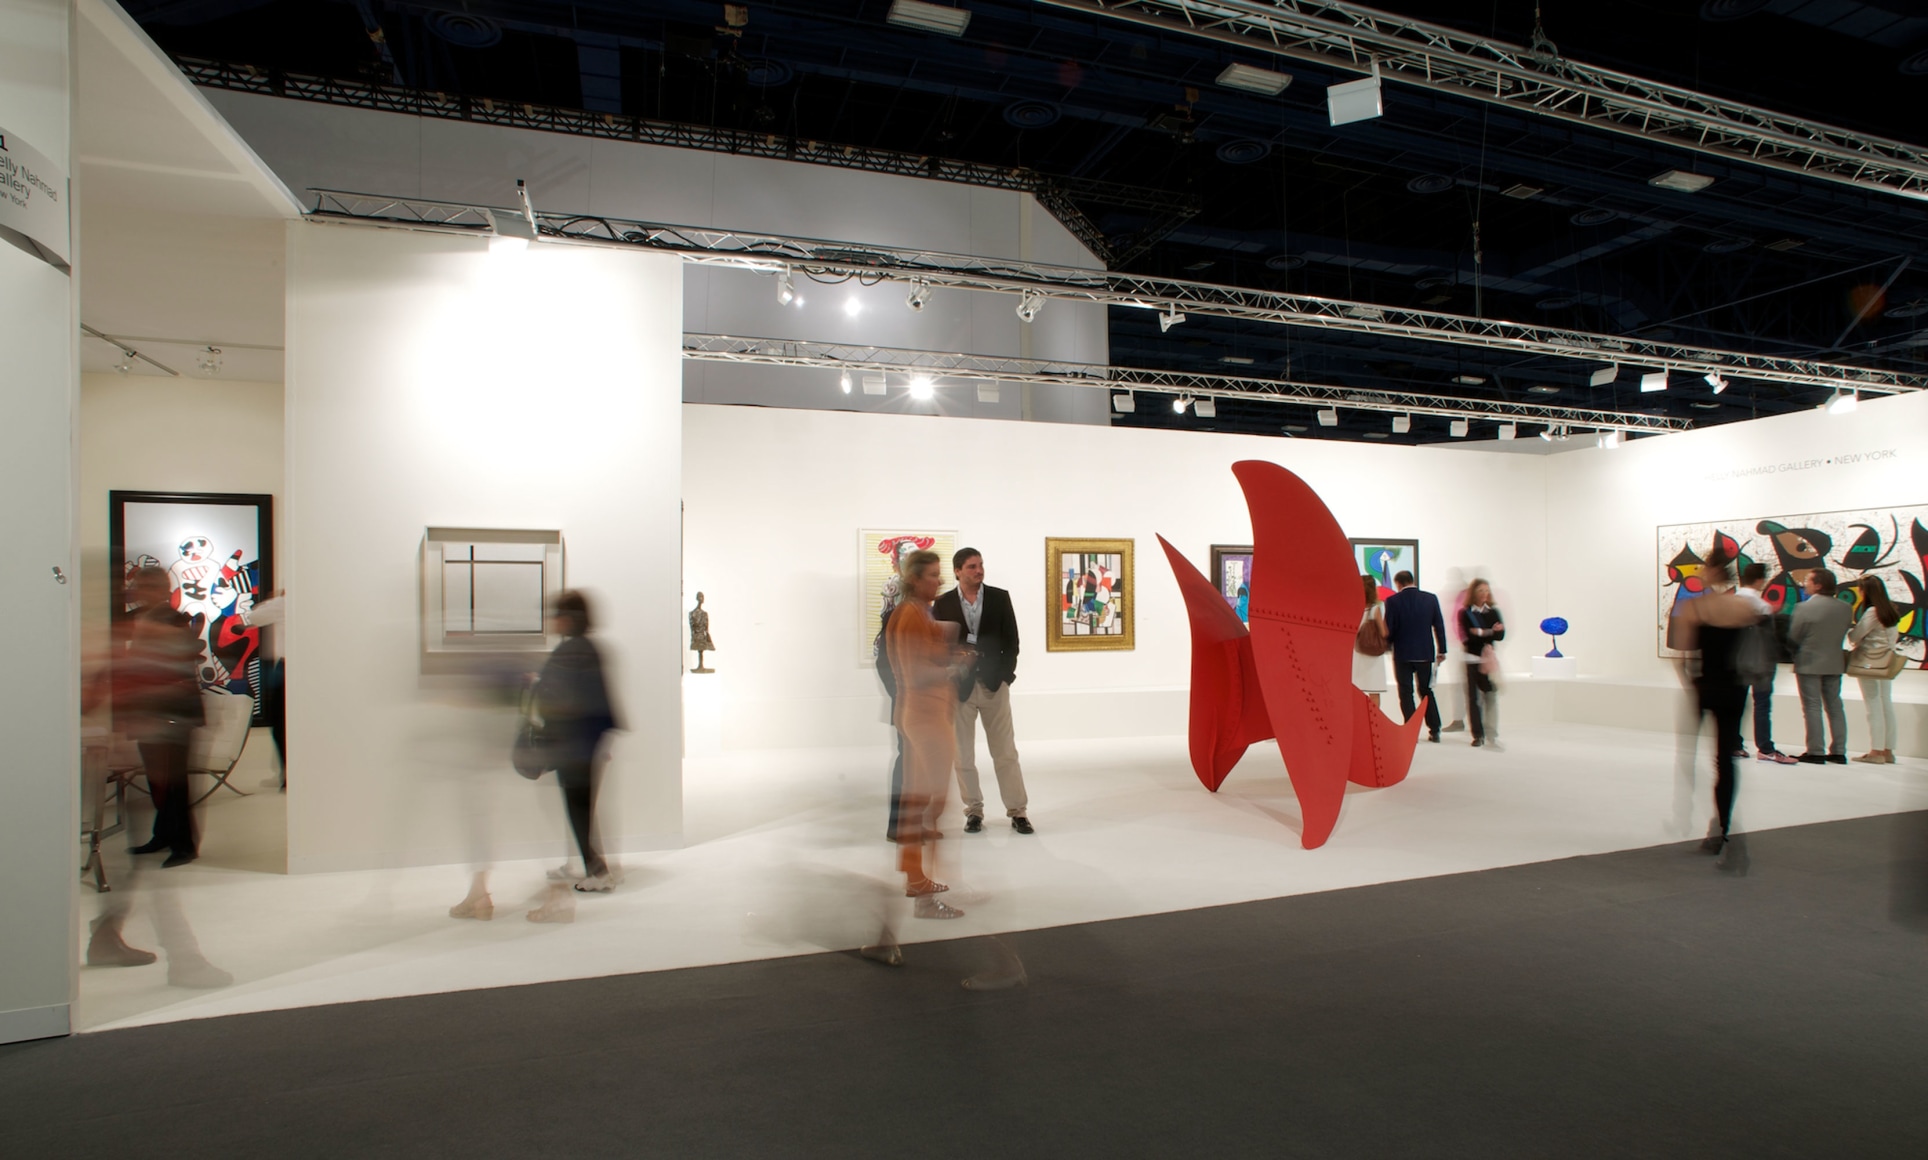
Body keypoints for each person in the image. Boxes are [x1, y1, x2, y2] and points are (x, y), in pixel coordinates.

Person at [885, 549, 965, 919]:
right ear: (915, 579)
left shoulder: (914, 613)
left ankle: (917, 879)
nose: (940, 581)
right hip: (925, 714)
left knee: (921, 803)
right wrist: (952, 665)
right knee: (930, 805)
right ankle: (923, 895)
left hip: (921, 713)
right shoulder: (911, 615)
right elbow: (918, 673)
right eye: (933, 575)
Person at [932, 548, 1033, 835]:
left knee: (1005, 752)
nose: (979, 570)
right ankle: (973, 811)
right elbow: (940, 647)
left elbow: (1012, 642)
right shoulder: (943, 603)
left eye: (981, 565)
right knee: (962, 755)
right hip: (959, 688)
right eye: (972, 566)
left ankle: (1018, 811)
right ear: (958, 571)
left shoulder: (1000, 598)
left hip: (993, 685)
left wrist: (1005, 677)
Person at [1670, 549, 1755, 872]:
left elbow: (1682, 656)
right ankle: (1722, 826)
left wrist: (1691, 687)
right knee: (1725, 760)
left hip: (1705, 687)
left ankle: (1687, 813)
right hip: (1735, 688)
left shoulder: (1695, 607)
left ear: (1712, 570)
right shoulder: (1743, 607)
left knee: (1689, 755)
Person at [535, 590, 622, 896]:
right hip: (586, 742)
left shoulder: (572, 651)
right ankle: (585, 863)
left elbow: (556, 697)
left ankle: (598, 872)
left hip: (574, 745)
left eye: (556, 615)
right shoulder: (589, 648)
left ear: (569, 618)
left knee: (579, 808)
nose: (552, 621)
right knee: (581, 807)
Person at [120, 565, 206, 868]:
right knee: (159, 780)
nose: (138, 593)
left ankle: (184, 845)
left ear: (158, 589)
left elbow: (183, 656)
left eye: (143, 587)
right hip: (151, 711)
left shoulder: (173, 619)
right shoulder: (142, 619)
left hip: (171, 713)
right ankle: (164, 835)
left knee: (173, 781)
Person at [1788, 568, 1854, 765]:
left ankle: (1816, 750)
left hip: (1808, 662)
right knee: (1835, 706)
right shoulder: (1845, 607)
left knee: (1812, 706)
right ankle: (1839, 750)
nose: (1804, 584)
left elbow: (1794, 636)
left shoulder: (1803, 608)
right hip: (1834, 662)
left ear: (1818, 584)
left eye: (1808, 580)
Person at [1735, 564, 1797, 765]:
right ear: (1760, 580)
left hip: (1738, 661)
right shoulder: (1762, 606)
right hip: (1761, 662)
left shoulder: (1733, 601)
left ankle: (1735, 745)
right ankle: (1766, 748)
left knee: (1737, 705)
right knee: (1761, 705)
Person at [1383, 570, 1448, 742]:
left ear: (1398, 584)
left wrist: (1386, 645)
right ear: (1412, 580)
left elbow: (1390, 628)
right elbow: (1439, 625)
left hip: (1403, 653)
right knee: (1426, 691)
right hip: (1424, 652)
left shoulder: (1393, 601)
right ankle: (1435, 729)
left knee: (1405, 692)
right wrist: (1442, 649)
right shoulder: (1430, 599)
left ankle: (1411, 730)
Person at [1848, 575, 1902, 764]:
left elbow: (1856, 636)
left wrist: (1850, 633)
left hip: (1869, 662)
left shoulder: (1872, 612)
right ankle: (1888, 750)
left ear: (1866, 591)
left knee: (1872, 705)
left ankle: (1876, 751)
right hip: (1886, 662)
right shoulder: (1891, 611)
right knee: (1886, 703)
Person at [1459, 579, 1506, 751]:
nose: (1484, 594)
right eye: (1480, 590)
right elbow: (1470, 637)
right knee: (1474, 698)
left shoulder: (1494, 612)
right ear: (1473, 593)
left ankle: (1491, 733)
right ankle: (1477, 735)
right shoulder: (1466, 613)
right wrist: (1491, 632)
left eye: (1486, 590)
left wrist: (1483, 632)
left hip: (1488, 660)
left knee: (1490, 696)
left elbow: (1500, 635)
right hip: (1472, 659)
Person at [1352, 574, 1389, 709]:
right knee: (1374, 692)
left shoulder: (1354, 608)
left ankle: (1358, 720)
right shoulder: (1375, 609)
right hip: (1373, 657)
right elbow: (1383, 633)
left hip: (1357, 652)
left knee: (1356, 690)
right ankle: (1373, 723)